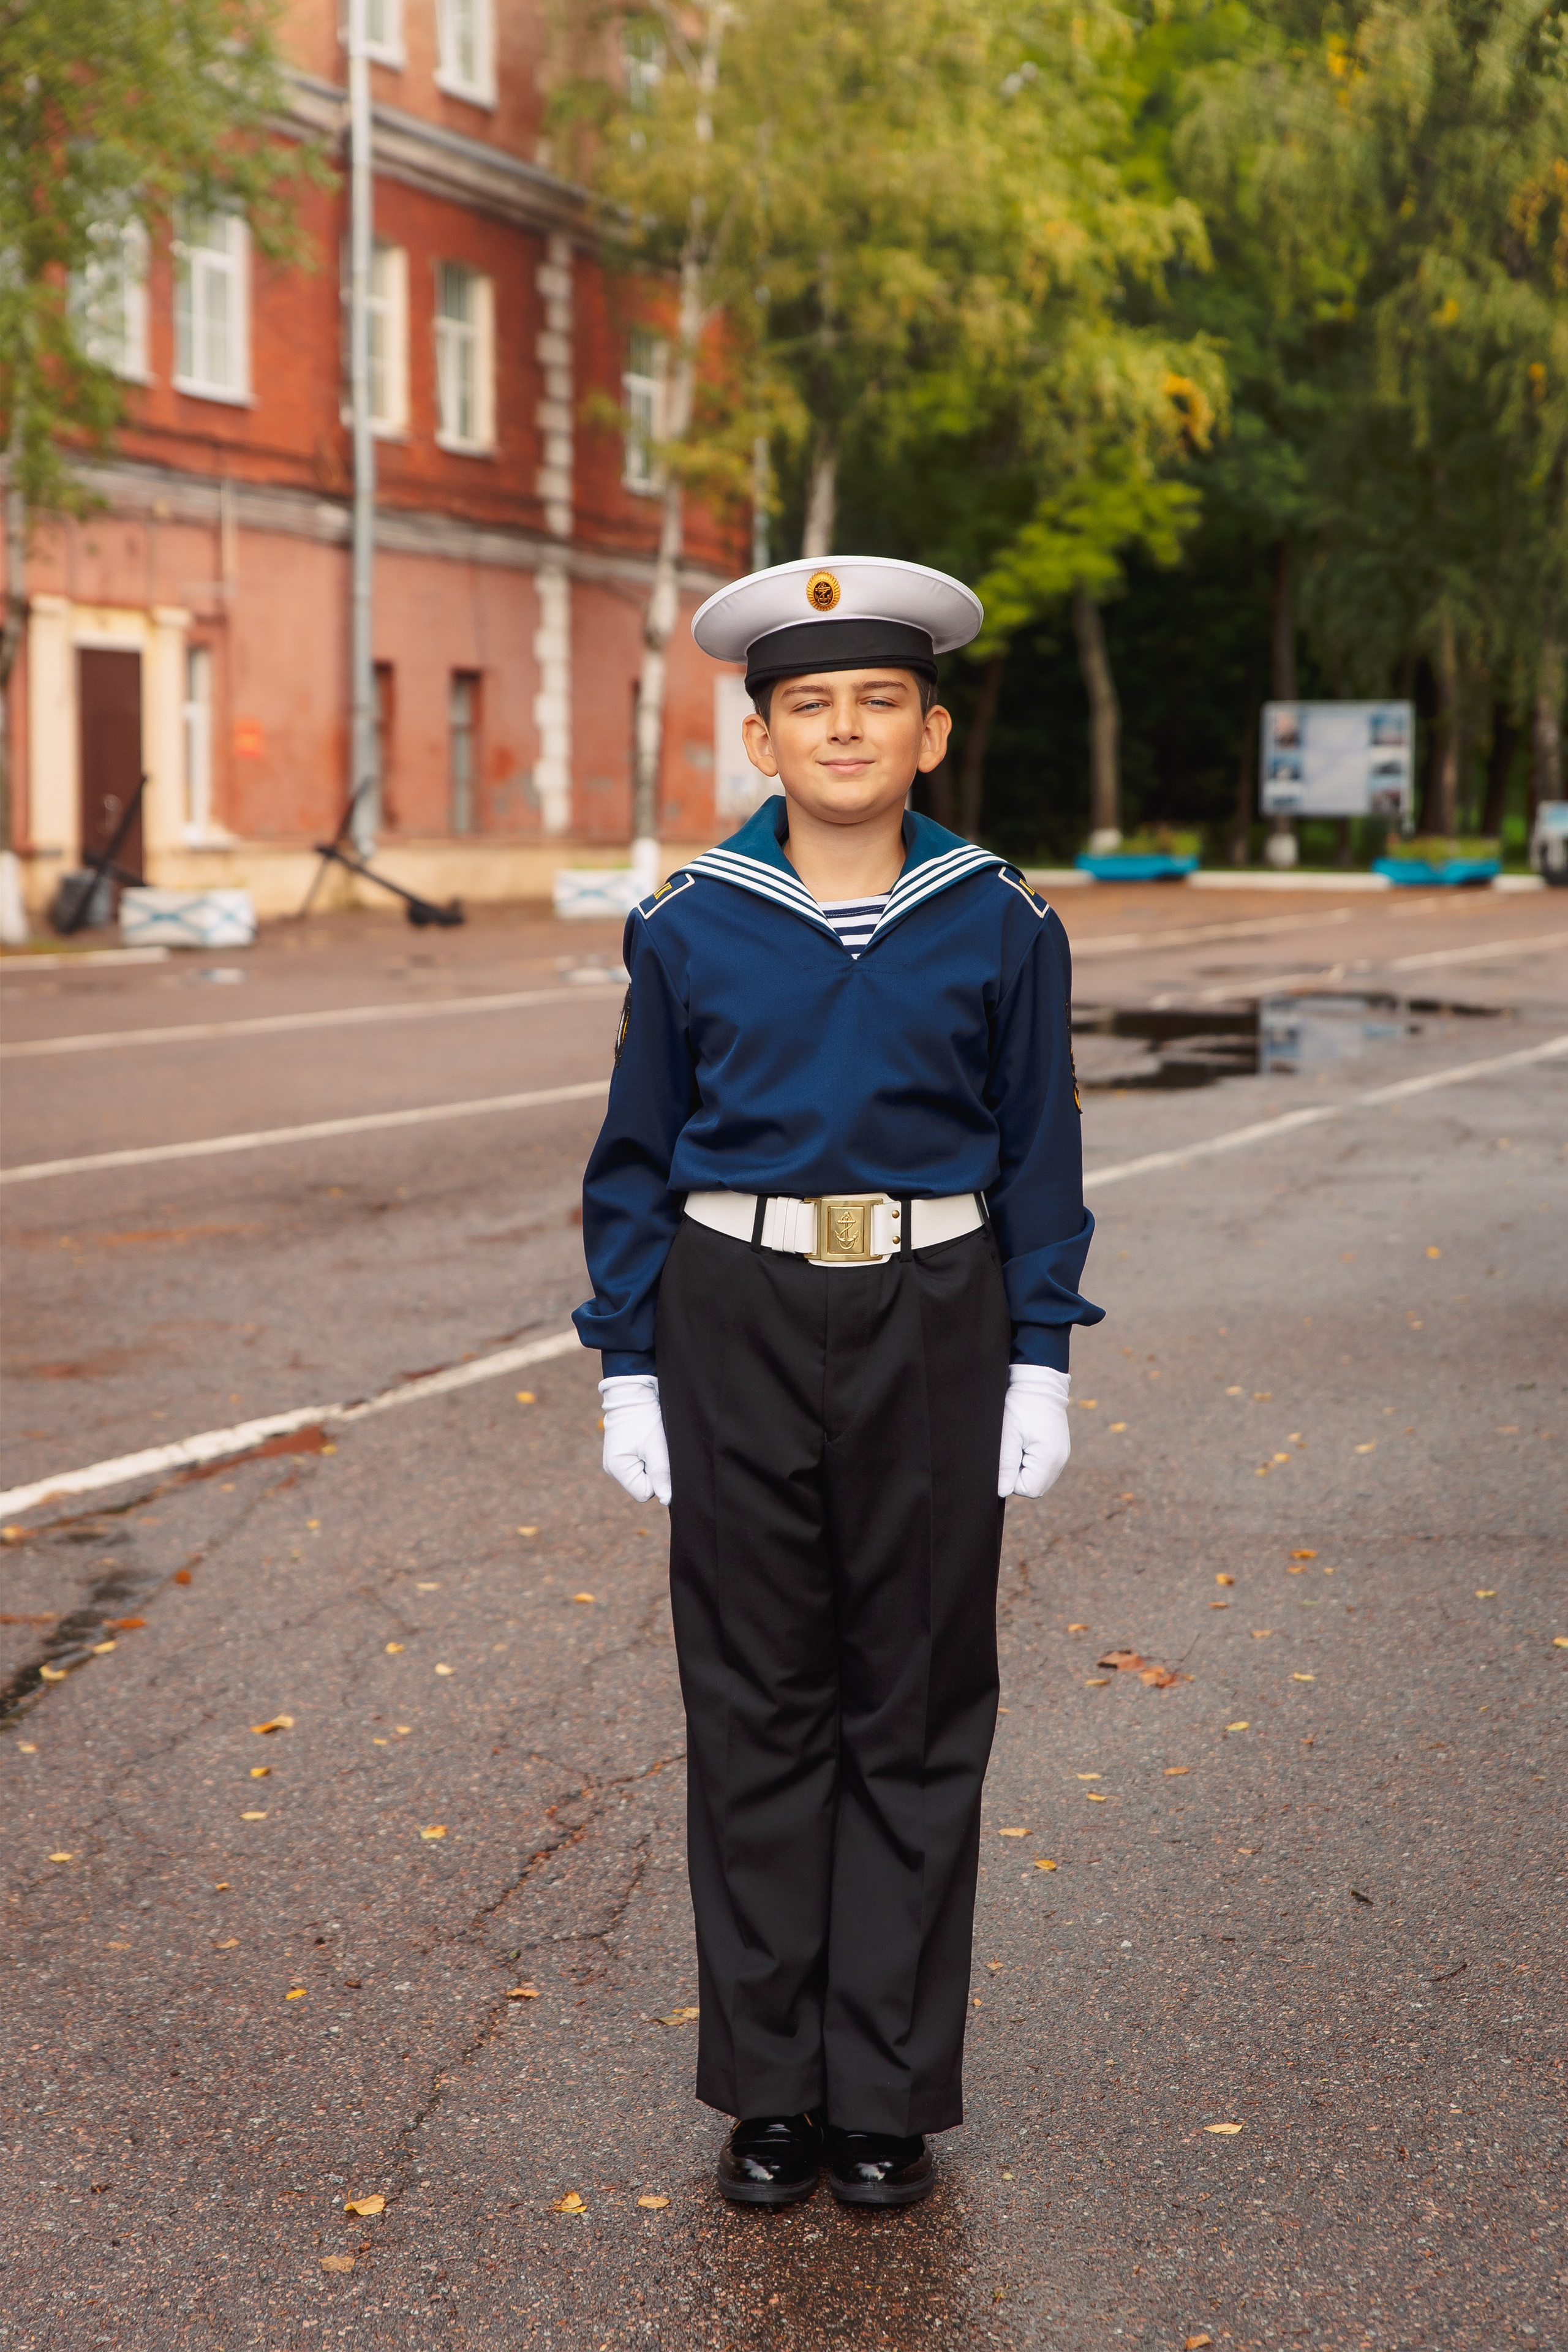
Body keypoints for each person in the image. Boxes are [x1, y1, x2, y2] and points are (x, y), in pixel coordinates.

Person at [573, 555, 1101, 2209]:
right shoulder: (689, 921)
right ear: (761, 737)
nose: (847, 729)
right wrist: (628, 1368)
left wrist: (1038, 1356)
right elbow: (635, 1155)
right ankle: (770, 2092)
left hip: (937, 1311)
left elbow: (1042, 1151)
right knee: (754, 1702)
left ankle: (883, 2091)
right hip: (733, 1307)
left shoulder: (1002, 921)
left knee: (918, 1704)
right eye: (811, 704)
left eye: (880, 701)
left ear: (933, 732)